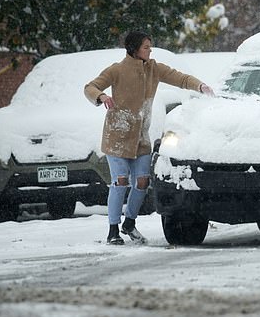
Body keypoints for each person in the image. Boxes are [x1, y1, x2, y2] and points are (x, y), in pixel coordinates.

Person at [84, 31, 214, 245]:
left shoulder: (154, 69)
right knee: (120, 182)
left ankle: (130, 223)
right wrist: (102, 96)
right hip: (117, 137)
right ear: (134, 49)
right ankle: (113, 230)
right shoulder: (117, 70)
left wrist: (200, 86)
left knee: (143, 182)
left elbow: (179, 78)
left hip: (141, 139)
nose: (150, 50)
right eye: (146, 47)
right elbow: (90, 87)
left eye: (150, 47)